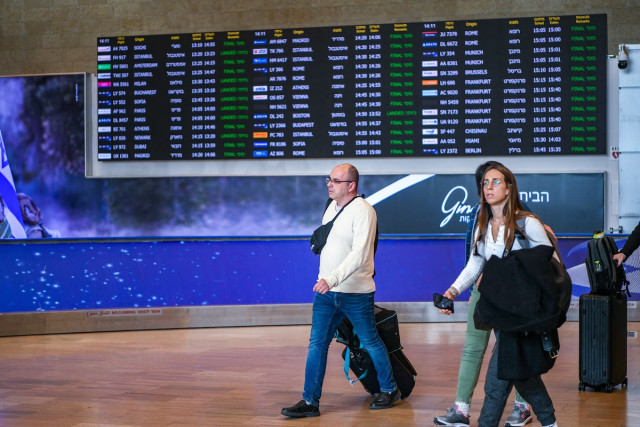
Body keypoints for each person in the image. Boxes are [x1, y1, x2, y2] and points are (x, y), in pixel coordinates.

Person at [438, 163, 558, 427]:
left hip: (519, 312)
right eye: (485, 183)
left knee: (504, 373)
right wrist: (453, 290)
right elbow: (475, 263)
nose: (489, 187)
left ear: (509, 187)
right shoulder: (483, 223)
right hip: (494, 305)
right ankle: (548, 421)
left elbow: (552, 263)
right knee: (517, 372)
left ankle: (530, 418)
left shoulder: (528, 223)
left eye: (496, 182)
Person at [281, 163, 398, 418]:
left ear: (351, 185)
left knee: (370, 341)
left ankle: (389, 389)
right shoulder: (331, 207)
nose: (329, 184)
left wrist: (332, 278)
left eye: (335, 180)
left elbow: (359, 254)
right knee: (316, 345)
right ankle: (310, 401)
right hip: (326, 293)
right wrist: (327, 279)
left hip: (356, 293)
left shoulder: (365, 211)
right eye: (329, 179)